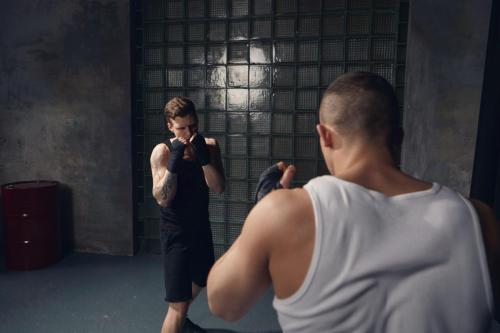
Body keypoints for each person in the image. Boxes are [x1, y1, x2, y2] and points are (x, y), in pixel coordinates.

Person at [206, 72, 499, 332]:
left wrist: (260, 215)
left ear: (324, 135)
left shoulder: (284, 212)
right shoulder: (479, 220)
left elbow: (223, 303)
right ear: (399, 137)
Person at [150, 96, 225, 333]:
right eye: (182, 128)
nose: (189, 132)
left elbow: (218, 187)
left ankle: (181, 317)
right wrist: (173, 165)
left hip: (201, 227)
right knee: (177, 307)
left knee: (203, 277)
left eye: (193, 125)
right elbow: (162, 198)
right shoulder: (161, 152)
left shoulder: (209, 146)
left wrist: (204, 159)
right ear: (170, 126)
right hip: (176, 233)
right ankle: (179, 317)